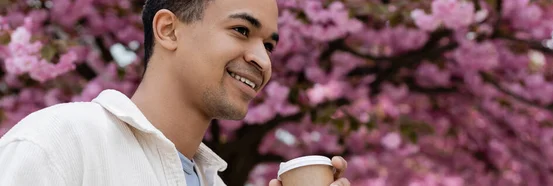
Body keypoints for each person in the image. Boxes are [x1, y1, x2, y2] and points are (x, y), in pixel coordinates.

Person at [0, 0, 351, 186]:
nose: (262, 59)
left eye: (269, 45)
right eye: (241, 30)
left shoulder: (212, 181)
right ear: (168, 30)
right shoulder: (59, 142)